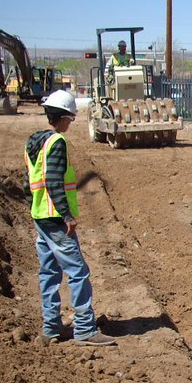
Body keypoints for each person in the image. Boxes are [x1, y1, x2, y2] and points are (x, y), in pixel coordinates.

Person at [23, 90, 116, 347]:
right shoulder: (56, 143)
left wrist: (38, 208)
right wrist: (66, 215)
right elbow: (53, 181)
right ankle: (85, 329)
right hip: (54, 218)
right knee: (77, 271)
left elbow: (27, 182)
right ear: (63, 117)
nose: (70, 124)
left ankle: (51, 327)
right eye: (71, 119)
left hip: (40, 216)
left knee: (49, 272)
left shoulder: (34, 142)